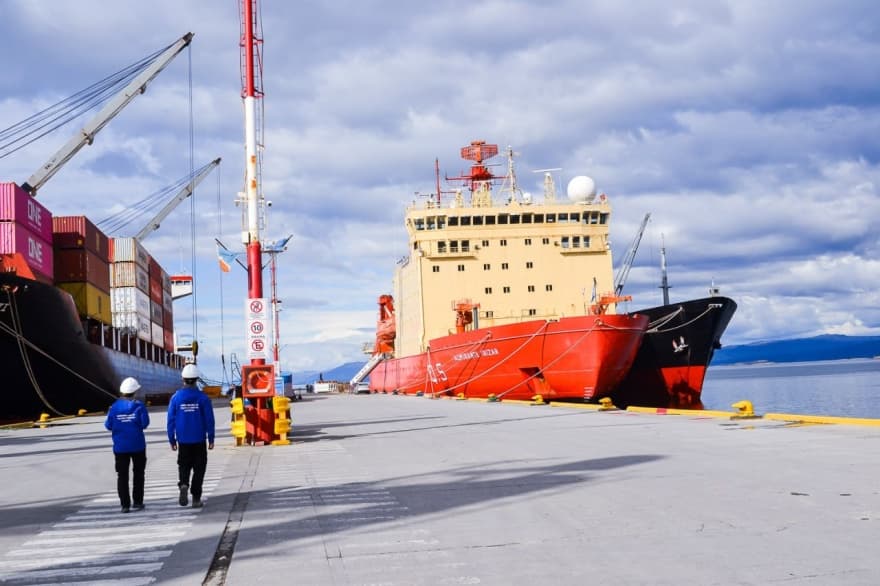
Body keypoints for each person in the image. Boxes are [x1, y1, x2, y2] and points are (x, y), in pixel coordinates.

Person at [167, 363, 215, 508]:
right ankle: (196, 498)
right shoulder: (203, 398)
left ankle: (183, 484)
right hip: (199, 439)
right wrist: (211, 438)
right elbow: (209, 420)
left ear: (183, 379)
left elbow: (170, 420)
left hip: (183, 440)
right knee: (199, 468)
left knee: (184, 465)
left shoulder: (175, 398)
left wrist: (172, 439)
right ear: (196, 379)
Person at [104, 377, 150, 513]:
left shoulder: (114, 407)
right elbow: (144, 424)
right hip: (138, 446)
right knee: (138, 474)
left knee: (122, 476)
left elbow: (108, 425)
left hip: (120, 448)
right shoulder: (139, 406)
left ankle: (125, 505)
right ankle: (138, 502)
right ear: (135, 392)